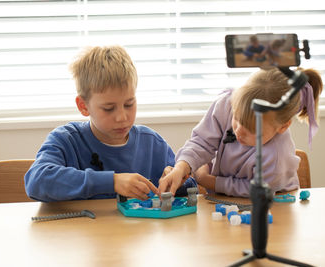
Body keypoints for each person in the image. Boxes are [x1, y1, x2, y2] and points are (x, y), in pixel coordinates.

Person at [24, 45, 196, 202]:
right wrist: (111, 181)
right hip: (82, 234)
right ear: (84, 106)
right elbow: (36, 181)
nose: (122, 117)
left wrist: (178, 181)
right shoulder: (66, 140)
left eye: (129, 104)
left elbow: (191, 186)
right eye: (108, 108)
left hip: (138, 235)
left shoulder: (152, 143)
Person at [158, 67, 322, 197]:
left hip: (273, 205)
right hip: (228, 202)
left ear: (282, 127)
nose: (239, 132)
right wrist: (182, 166)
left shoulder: (277, 156)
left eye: (252, 129)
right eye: (236, 119)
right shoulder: (226, 104)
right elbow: (202, 142)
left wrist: (208, 181)